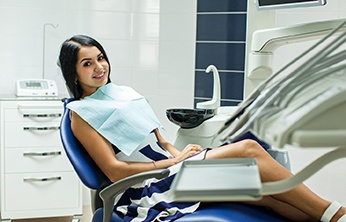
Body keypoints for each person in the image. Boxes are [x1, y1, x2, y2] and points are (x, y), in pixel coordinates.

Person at [58, 34, 346, 222]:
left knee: (262, 193)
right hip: (147, 187)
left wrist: (181, 151)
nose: (99, 67)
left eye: (101, 57)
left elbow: (159, 140)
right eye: (87, 63)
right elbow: (114, 171)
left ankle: (330, 218)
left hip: (171, 168)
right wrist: (173, 161)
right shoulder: (80, 115)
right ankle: (333, 213)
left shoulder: (123, 93)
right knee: (249, 149)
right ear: (73, 71)